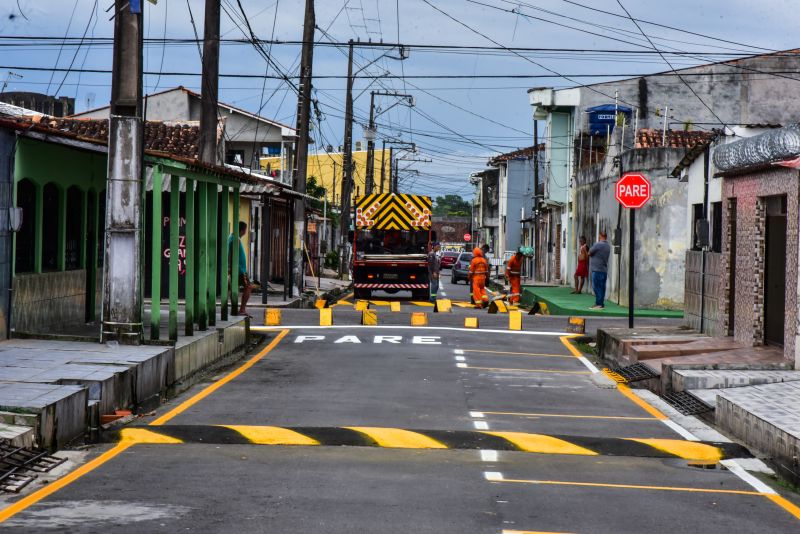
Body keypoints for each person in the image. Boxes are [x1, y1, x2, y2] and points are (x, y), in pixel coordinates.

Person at [228, 221, 253, 317]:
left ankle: (235, 309)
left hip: (238, 269)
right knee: (248, 287)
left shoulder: (233, 238)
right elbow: (231, 255)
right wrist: (232, 268)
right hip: (240, 270)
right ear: (243, 230)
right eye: (246, 229)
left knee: (235, 288)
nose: (246, 232)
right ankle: (242, 309)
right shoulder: (235, 240)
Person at [588, 231, 612, 309]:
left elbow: (589, 253)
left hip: (597, 269)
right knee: (602, 287)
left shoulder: (598, 244)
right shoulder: (608, 246)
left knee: (596, 287)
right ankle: (601, 303)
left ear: (600, 236)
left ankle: (598, 304)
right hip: (604, 269)